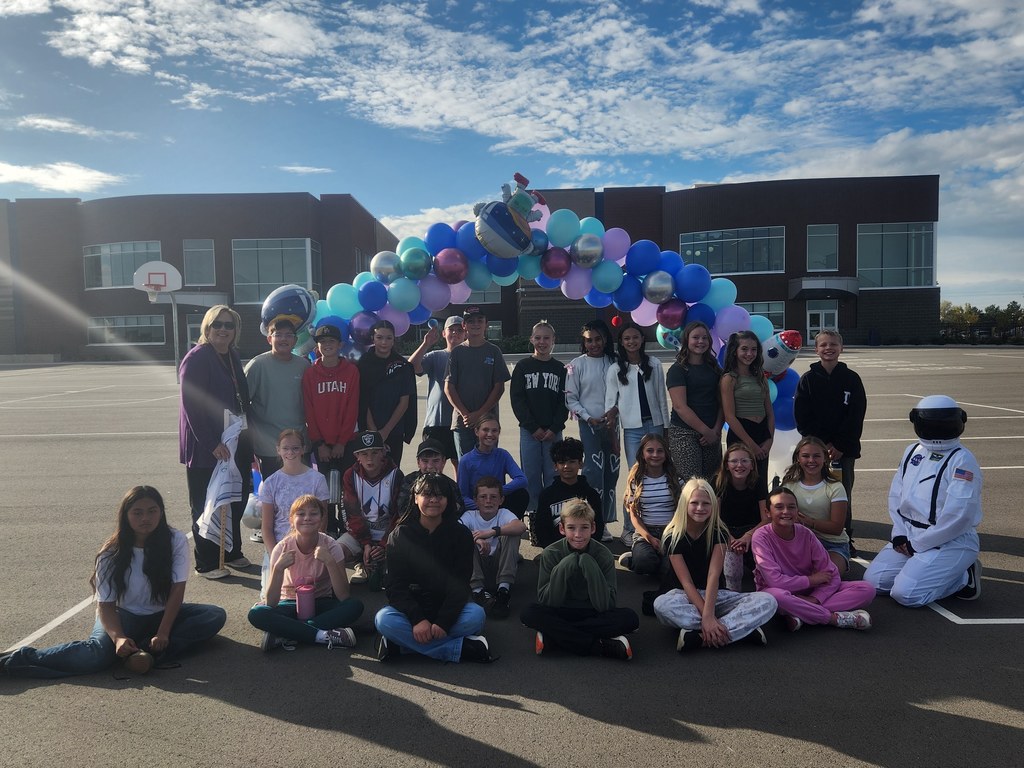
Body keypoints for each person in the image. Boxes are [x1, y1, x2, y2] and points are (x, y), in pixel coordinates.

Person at [1, 487, 226, 678]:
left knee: (213, 615)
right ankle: (17, 662)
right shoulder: (110, 553)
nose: (145, 518)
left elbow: (178, 590)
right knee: (97, 654)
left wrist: (164, 632)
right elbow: (105, 605)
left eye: (152, 511)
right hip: (123, 615)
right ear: (125, 516)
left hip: (161, 614)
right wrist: (118, 638)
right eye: (137, 513)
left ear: (161, 512)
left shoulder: (174, 540)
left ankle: (145, 650)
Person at [864, 395, 983, 607]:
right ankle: (927, 569)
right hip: (910, 534)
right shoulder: (912, 451)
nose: (937, 430)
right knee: (874, 583)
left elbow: (959, 515)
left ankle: (964, 577)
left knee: (906, 595)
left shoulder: (962, 459)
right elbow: (896, 495)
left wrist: (918, 545)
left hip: (949, 541)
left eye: (943, 424)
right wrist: (899, 533)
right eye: (932, 424)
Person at [374, 472, 495, 663]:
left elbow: (461, 584)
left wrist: (444, 622)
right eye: (427, 495)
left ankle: (401, 647)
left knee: (476, 616)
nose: (433, 500)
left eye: (440, 496)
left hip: (447, 607)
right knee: (383, 620)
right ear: (415, 498)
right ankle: (461, 649)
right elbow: (395, 586)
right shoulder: (400, 535)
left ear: (448, 500)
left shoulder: (461, 534)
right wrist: (417, 620)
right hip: (412, 609)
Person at [652, 478, 777, 652]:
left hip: (715, 594)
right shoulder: (673, 535)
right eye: (694, 503)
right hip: (683, 596)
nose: (700, 508)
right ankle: (740, 630)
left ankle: (701, 636)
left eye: (706, 503)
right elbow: (686, 582)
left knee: (768, 600)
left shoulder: (719, 532)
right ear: (684, 504)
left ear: (713, 506)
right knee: (661, 605)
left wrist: (710, 616)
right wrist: (707, 617)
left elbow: (713, 575)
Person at [179, 304, 253, 579]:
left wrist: (248, 443)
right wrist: (211, 443)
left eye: (228, 325)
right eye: (217, 324)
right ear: (207, 328)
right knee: (206, 502)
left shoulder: (231, 356)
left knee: (235, 497)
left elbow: (241, 402)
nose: (223, 329)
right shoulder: (197, 358)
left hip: (235, 440)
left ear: (235, 331)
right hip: (207, 447)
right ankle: (207, 561)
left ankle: (231, 551)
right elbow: (192, 406)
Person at [520, 499, 639, 659]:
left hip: (593, 612)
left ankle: (554, 638)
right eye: (571, 528)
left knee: (630, 618)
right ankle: (600, 646)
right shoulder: (551, 553)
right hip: (560, 610)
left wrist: (589, 565)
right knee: (529, 613)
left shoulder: (603, 555)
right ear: (562, 529)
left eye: (584, 528)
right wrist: (565, 565)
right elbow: (548, 602)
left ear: (593, 528)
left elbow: (606, 605)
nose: (578, 535)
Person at [248, 495, 364, 651]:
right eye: (301, 514)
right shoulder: (282, 548)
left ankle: (286, 633)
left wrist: (329, 562)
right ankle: (324, 636)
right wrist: (278, 569)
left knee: (354, 606)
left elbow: (343, 595)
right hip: (289, 603)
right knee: (257, 613)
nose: (307, 518)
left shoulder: (332, 546)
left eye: (314, 513)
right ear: (291, 520)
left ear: (322, 519)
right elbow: (271, 602)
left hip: (321, 601)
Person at [752, 488, 873, 632]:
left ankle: (800, 612)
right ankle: (834, 619)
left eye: (791, 507)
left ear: (797, 511)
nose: (786, 511)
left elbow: (831, 573)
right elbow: (775, 582)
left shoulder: (806, 534)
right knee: (774, 597)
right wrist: (812, 580)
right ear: (768, 512)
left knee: (867, 589)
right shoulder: (760, 537)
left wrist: (815, 599)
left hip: (809, 592)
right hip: (781, 592)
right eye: (779, 507)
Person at [794, 330, 867, 552]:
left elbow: (856, 415)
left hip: (842, 453)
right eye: (823, 345)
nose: (828, 348)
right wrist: (821, 446)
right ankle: (810, 536)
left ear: (841, 348)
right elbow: (802, 416)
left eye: (833, 344)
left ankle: (845, 537)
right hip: (816, 452)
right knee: (812, 493)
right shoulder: (807, 380)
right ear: (816, 349)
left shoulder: (851, 379)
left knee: (841, 493)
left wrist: (839, 446)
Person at [604, 323, 669, 544]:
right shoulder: (615, 369)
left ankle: (658, 522)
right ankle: (629, 528)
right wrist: (612, 429)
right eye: (626, 338)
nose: (631, 342)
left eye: (635, 337)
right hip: (632, 428)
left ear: (642, 339)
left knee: (659, 471)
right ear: (621, 342)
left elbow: (661, 397)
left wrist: (665, 428)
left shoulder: (654, 364)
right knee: (636, 476)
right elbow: (610, 403)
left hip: (655, 425)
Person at [302, 323, 360, 532]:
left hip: (344, 443)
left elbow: (351, 409)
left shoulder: (351, 371)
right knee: (324, 490)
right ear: (317, 346)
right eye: (323, 342)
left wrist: (341, 443)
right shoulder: (310, 374)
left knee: (346, 489)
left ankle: (347, 529)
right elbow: (309, 410)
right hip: (322, 445)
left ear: (340, 345)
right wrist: (319, 443)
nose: (327, 345)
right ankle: (327, 529)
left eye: (332, 341)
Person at [257, 429, 329, 597]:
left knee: (311, 596)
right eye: (286, 448)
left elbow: (323, 520)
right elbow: (266, 527)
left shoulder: (317, 479)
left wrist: (312, 551)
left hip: (310, 545)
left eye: (295, 448)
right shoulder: (270, 483)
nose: (290, 452)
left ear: (303, 449)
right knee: (272, 599)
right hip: (281, 547)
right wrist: (275, 554)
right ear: (278, 450)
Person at [565, 319, 620, 536]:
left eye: (598, 339)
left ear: (605, 339)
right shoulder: (576, 365)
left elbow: (622, 392)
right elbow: (571, 398)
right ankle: (592, 521)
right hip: (589, 425)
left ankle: (605, 522)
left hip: (612, 424)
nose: (594, 344)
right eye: (589, 340)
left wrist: (614, 411)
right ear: (584, 341)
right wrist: (588, 418)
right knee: (593, 473)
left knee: (611, 474)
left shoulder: (615, 362)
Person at [510, 320, 568, 515]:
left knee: (554, 473)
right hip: (530, 432)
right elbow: (517, 400)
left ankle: (553, 511)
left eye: (546, 338)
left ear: (553, 340)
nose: (542, 342)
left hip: (553, 431)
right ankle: (533, 511)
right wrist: (532, 427)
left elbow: (564, 401)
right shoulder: (523, 366)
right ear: (531, 339)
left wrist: (555, 426)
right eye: (538, 338)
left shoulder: (560, 368)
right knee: (531, 474)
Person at [244, 317, 309, 479]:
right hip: (269, 449)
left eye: (288, 335)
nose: (283, 339)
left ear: (295, 340)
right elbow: (242, 406)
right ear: (269, 338)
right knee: (274, 499)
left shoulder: (304, 366)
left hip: (299, 446)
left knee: (301, 499)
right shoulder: (257, 365)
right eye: (278, 334)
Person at [445, 306, 510, 460]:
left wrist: (480, 414)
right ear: (464, 326)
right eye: (470, 321)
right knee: (466, 466)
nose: (475, 324)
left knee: (489, 466)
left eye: (479, 320)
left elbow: (499, 387)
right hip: (463, 423)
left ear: (486, 324)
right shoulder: (457, 352)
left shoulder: (494, 351)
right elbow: (449, 387)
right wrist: (466, 414)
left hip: (488, 423)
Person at [338, 431, 403, 585]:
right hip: (359, 535)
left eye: (374, 452)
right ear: (357, 456)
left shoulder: (395, 475)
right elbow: (351, 513)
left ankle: (381, 563)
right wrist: (366, 543)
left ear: (383, 452)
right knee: (335, 552)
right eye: (364, 453)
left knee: (404, 559)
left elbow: (399, 515)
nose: (369, 458)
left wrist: (383, 544)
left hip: (388, 533)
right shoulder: (350, 475)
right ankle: (359, 563)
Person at [781, 437, 850, 574]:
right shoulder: (789, 486)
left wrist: (809, 523)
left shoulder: (835, 487)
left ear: (825, 458)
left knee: (827, 575)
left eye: (816, 456)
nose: (811, 460)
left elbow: (837, 528)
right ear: (798, 459)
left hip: (832, 545)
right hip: (799, 543)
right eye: (805, 456)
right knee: (789, 573)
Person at [666, 320, 723, 486]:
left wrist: (716, 430)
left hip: (712, 433)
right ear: (686, 340)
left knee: (712, 484)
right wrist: (706, 431)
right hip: (685, 433)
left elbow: (722, 403)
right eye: (696, 337)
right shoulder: (677, 370)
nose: (701, 341)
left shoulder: (714, 368)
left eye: (705, 338)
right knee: (692, 486)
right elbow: (680, 406)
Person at [460, 476, 526, 619]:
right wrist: (477, 539)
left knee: (512, 534)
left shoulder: (504, 513)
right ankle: (478, 591)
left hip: (499, 568)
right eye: (483, 497)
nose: (488, 501)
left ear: (501, 500)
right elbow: (455, 532)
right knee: (464, 539)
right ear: (475, 500)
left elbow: (521, 526)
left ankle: (503, 591)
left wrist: (492, 531)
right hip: (477, 569)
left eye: (493, 497)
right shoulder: (469, 515)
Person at [719, 330, 774, 497]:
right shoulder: (729, 378)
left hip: (762, 433)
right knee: (740, 481)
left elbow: (770, 412)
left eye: (754, 349)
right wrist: (751, 445)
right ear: (735, 350)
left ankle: (761, 520)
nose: (749, 353)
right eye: (744, 349)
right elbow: (729, 416)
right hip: (741, 435)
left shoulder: (760, 377)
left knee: (760, 482)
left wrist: (769, 440)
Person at [409, 316, 466, 476]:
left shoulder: (469, 356)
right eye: (451, 329)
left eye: (459, 330)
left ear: (465, 334)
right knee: (431, 467)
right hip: (436, 423)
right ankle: (430, 498)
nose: (455, 333)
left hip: (461, 423)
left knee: (461, 466)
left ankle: (459, 499)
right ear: (444, 333)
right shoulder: (436, 356)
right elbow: (411, 367)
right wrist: (426, 344)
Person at [618, 433, 680, 577]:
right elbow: (633, 515)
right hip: (645, 531)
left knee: (669, 569)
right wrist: (649, 538)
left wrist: (671, 534)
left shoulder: (675, 478)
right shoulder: (636, 479)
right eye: (650, 450)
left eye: (660, 451)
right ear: (642, 453)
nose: (655, 455)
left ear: (666, 454)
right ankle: (637, 558)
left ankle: (659, 562)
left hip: (671, 530)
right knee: (644, 562)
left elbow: (681, 511)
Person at [357, 320, 417, 467]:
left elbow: (405, 401)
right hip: (369, 430)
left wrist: (386, 431)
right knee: (370, 472)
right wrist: (374, 431)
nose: (384, 342)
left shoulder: (402, 366)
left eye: (388, 338)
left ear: (394, 339)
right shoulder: (363, 364)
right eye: (379, 337)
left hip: (394, 430)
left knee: (392, 473)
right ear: (373, 338)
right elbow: (363, 400)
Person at [715, 443, 770, 592]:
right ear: (727, 465)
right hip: (726, 530)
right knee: (731, 562)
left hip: (752, 530)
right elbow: (715, 518)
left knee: (762, 565)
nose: (739, 465)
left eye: (745, 461)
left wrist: (748, 536)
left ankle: (765, 592)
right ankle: (733, 592)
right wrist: (730, 539)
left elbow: (766, 518)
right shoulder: (718, 482)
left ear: (752, 465)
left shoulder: (758, 482)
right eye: (734, 461)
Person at [534, 437, 605, 547]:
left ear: (580, 463)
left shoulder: (591, 494)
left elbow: (598, 527)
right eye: (562, 462)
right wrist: (553, 551)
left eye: (572, 461)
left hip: (585, 550)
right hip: (556, 551)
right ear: (555, 466)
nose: (567, 466)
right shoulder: (547, 495)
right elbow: (541, 529)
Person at [457, 414, 530, 518]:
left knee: (521, 494)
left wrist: (496, 494)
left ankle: (507, 528)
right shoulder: (466, 460)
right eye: (485, 430)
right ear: (476, 431)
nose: (490, 434)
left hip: (498, 505)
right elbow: (462, 496)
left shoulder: (502, 455)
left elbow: (522, 479)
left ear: (499, 432)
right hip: (476, 509)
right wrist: (482, 504)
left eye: (494, 431)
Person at [395, 438, 465, 523]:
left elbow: (459, 510)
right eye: (425, 461)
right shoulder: (409, 481)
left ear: (443, 461)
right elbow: (402, 510)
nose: (430, 466)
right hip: (414, 529)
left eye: (436, 461)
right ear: (418, 462)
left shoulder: (450, 485)